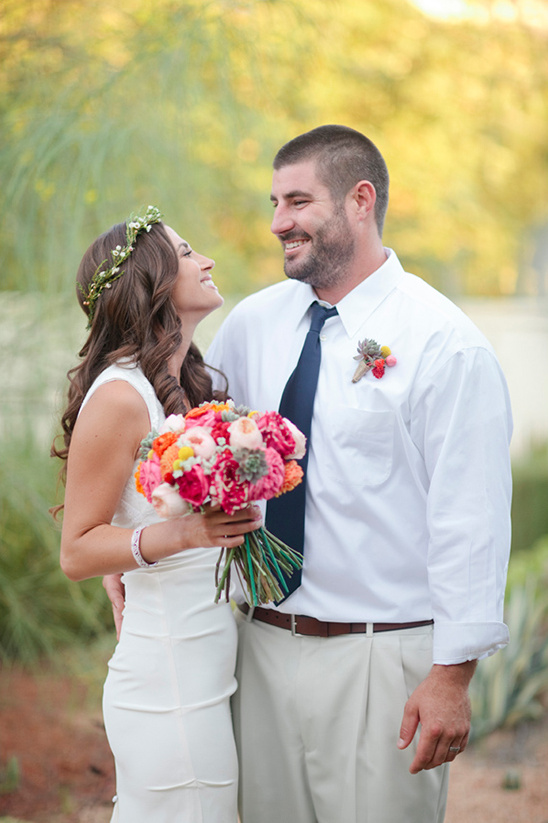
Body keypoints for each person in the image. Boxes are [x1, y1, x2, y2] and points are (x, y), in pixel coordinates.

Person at [203, 125, 513, 823]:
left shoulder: (444, 342)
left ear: (359, 200)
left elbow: (472, 517)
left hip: (382, 660)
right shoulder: (251, 324)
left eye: (297, 200)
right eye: (274, 201)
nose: (277, 221)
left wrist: (451, 677)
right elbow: (194, 444)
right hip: (258, 643)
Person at [52, 205, 262, 823]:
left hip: (205, 670)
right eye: (189, 251)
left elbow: (127, 525)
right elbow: (77, 551)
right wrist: (184, 533)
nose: (208, 260)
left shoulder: (183, 387)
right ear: (152, 279)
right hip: (168, 683)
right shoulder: (120, 397)